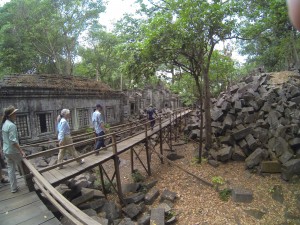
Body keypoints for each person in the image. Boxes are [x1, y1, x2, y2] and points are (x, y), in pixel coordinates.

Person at [1, 105, 26, 193]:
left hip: (6, 150)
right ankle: (28, 182)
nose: (16, 115)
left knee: (10, 169)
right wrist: (21, 151)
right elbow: (13, 141)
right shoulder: (11, 125)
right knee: (23, 166)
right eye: (14, 113)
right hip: (13, 150)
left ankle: (13, 188)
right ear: (10, 115)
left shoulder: (4, 124)